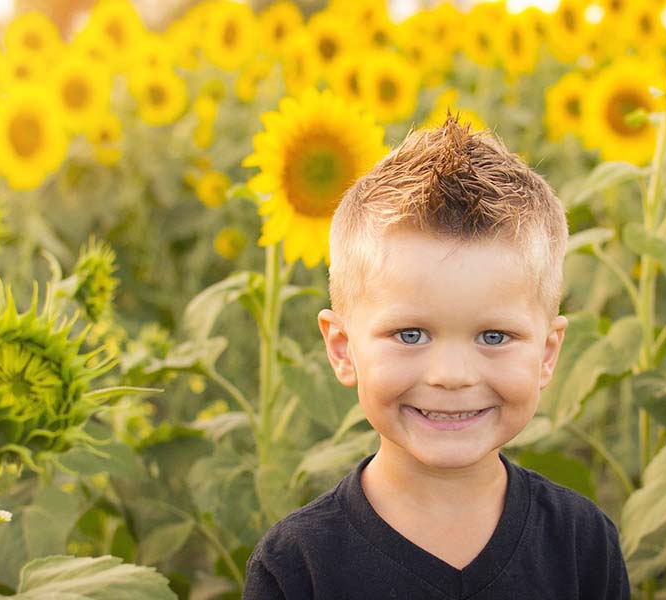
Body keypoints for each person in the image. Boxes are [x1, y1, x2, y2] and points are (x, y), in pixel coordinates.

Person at [243, 114, 631, 599]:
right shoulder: (299, 565)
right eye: (410, 334)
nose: (452, 376)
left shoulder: (581, 545)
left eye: (493, 337)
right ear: (343, 349)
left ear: (547, 354)